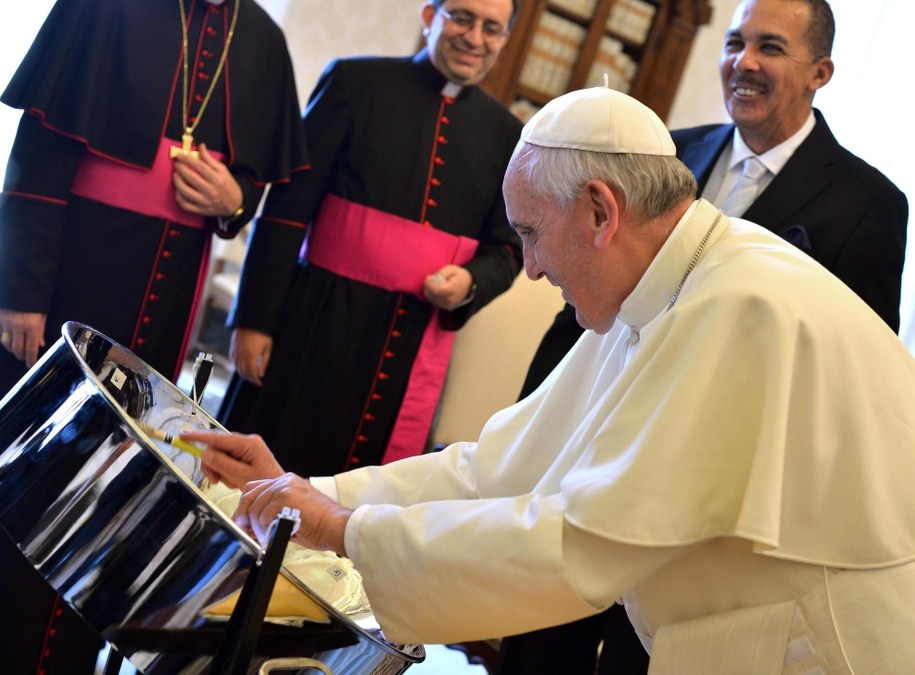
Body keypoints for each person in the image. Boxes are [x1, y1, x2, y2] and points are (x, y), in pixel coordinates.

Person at [189, 86, 915, 673]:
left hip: (823, 647)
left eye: (531, 232)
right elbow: (500, 469)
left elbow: (582, 542)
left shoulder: (737, 302)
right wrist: (313, 495)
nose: (530, 267)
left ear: (601, 209)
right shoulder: (665, 281)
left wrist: (346, 532)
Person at [505, 1, 909, 665]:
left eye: (769, 48)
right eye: (733, 42)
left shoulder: (868, 205)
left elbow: (841, 384)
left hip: (704, 505)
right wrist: (534, 421)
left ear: (820, 72)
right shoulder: (668, 149)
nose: (742, 63)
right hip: (593, 449)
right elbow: (579, 311)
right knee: (542, 637)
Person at [0, 0, 309, 671]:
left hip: (167, 300)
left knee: (119, 480)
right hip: (69, 279)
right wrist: (20, 292)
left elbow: (252, 191)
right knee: (34, 469)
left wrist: (233, 204)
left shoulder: (257, 35)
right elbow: (40, 153)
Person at [217, 0, 523, 477]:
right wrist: (254, 319)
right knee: (260, 473)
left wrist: (470, 282)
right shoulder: (355, 83)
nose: (474, 38)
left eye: (491, 28)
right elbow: (286, 210)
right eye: (461, 17)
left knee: (359, 502)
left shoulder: (507, 135)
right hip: (314, 320)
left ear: (504, 39)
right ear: (429, 17)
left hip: (412, 343)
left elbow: (507, 247)